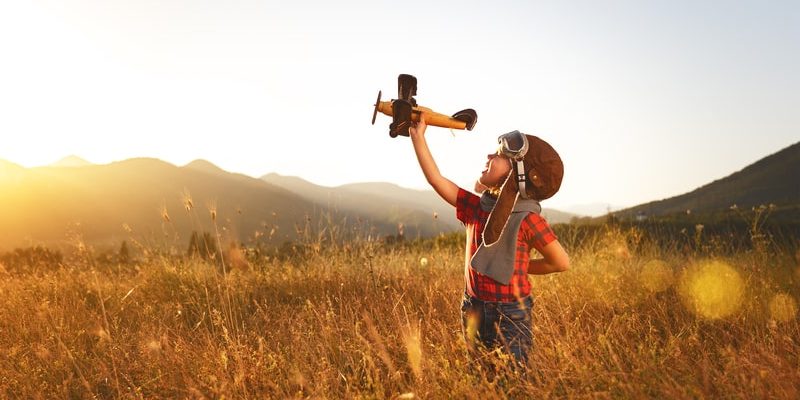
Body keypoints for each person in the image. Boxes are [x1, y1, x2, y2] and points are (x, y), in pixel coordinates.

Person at [409, 113, 570, 368]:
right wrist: (418, 137)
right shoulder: (477, 207)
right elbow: (436, 180)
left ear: (518, 174)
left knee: (511, 380)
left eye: (498, 155)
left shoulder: (528, 219)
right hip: (473, 306)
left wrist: (522, 266)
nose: (489, 157)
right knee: (477, 375)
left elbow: (560, 262)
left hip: (511, 315)